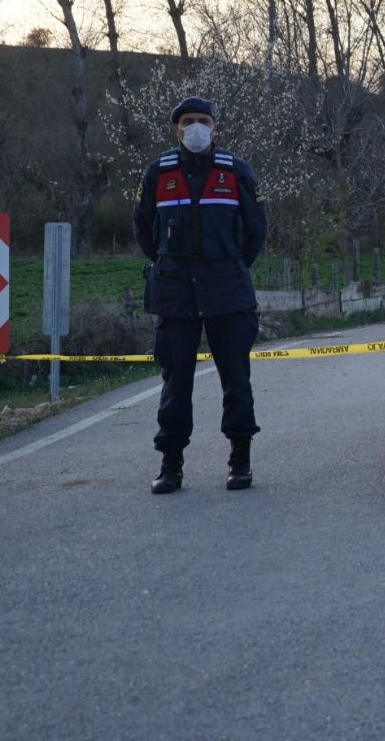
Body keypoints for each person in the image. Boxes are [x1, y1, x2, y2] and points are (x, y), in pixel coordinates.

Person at [133, 97, 268, 494]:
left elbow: (256, 229)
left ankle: (239, 459)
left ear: (215, 127)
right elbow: (143, 229)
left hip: (227, 288)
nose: (196, 128)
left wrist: (230, 265)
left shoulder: (236, 171)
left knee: (236, 380)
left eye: (202, 121)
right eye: (188, 122)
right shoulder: (158, 173)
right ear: (177, 129)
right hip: (175, 291)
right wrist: (168, 263)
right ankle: (171, 464)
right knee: (176, 383)